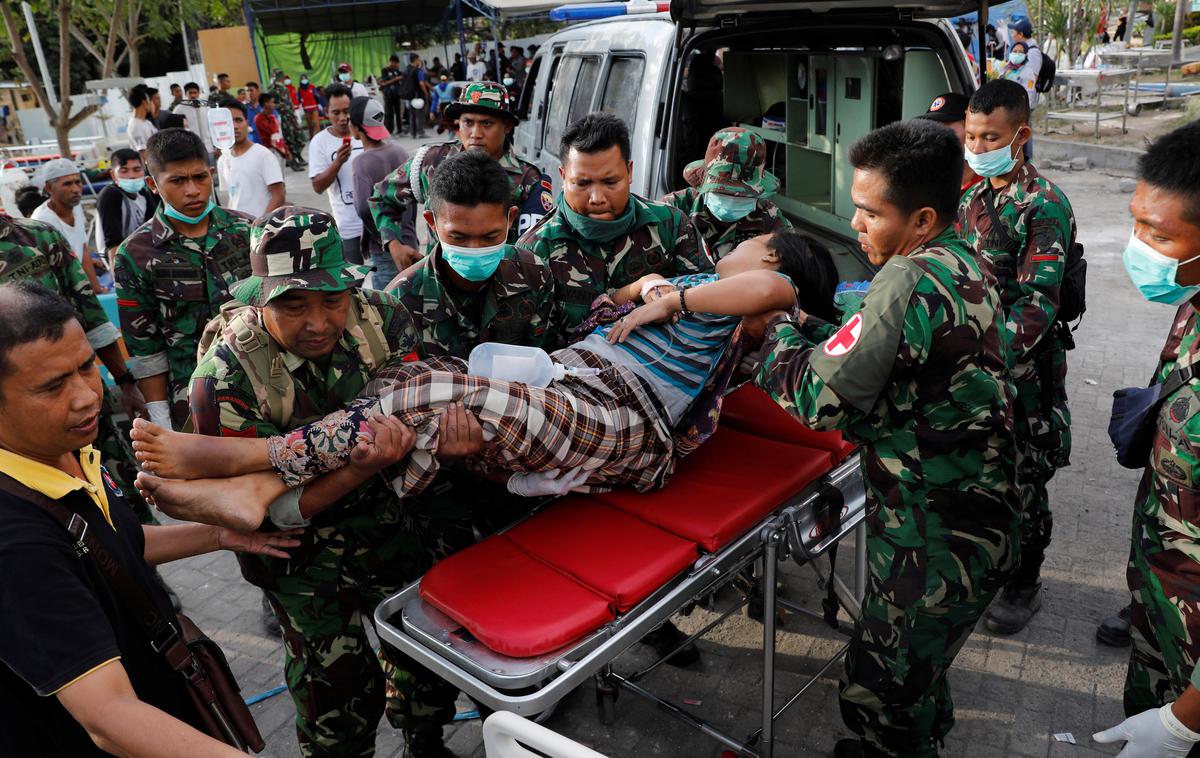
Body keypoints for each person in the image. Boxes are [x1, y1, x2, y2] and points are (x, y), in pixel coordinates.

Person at [130, 226, 838, 521]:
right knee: (414, 389)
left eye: (753, 240)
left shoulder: (755, 306)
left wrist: (675, 299)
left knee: (435, 391)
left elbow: (773, 297)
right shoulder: (696, 285)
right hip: (575, 385)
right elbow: (632, 291)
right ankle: (265, 492)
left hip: (630, 424)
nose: (735, 243)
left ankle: (257, 464)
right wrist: (649, 289)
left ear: (772, 256)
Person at [749, 119, 1018, 758]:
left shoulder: (905, 278)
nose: (856, 225)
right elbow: (882, 346)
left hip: (930, 537)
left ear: (922, 218)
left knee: (881, 686)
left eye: (870, 212)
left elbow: (819, 400)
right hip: (977, 519)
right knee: (920, 672)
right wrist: (815, 327)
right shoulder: (960, 254)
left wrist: (778, 333)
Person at [159, 207, 459, 758]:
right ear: (260, 300)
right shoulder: (224, 379)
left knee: (420, 650)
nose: (318, 322)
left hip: (391, 522)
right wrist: (360, 466)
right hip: (297, 549)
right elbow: (265, 509)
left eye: (332, 300)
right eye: (293, 304)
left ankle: (426, 740)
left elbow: (423, 401)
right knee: (334, 687)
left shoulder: (382, 319)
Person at [0, 281, 297, 758]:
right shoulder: (15, 543)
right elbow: (110, 719)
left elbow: (111, 545)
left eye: (85, 368)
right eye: (53, 386)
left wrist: (218, 535)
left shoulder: (59, 452)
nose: (86, 397)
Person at [1088, 122, 1200, 757]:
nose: (1138, 248)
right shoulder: (1193, 305)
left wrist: (1186, 720)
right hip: (1163, 610)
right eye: (1136, 223)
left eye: (1159, 236)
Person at [957, 79, 1076, 635]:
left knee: (1025, 479)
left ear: (1020, 135)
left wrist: (980, 356)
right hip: (976, 365)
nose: (978, 148)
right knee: (981, 472)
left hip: (1024, 371)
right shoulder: (971, 198)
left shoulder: (1044, 205)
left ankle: (1024, 583)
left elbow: (1037, 305)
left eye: (990, 138)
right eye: (973, 137)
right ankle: (988, 561)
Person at [518, 112, 714, 340]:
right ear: (563, 176)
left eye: (610, 182)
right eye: (582, 183)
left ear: (629, 172)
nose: (597, 198)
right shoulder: (534, 251)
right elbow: (535, 349)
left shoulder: (671, 225)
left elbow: (708, 300)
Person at [113, 128, 254, 431]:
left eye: (200, 177)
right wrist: (159, 416)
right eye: (177, 181)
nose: (193, 190)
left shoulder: (248, 231)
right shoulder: (135, 254)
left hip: (262, 381)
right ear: (153, 184)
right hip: (191, 396)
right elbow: (145, 347)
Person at [371, 82, 549, 270]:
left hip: (501, 287)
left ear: (506, 126)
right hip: (440, 287)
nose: (475, 134)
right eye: (468, 123)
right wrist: (394, 244)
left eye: (486, 123)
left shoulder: (528, 179)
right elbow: (381, 197)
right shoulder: (432, 161)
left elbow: (534, 249)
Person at [660, 126, 791, 259]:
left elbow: (791, 265)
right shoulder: (673, 209)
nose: (732, 199)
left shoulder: (771, 218)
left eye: (743, 196)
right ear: (704, 187)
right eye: (722, 192)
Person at [349, 96, 409, 289]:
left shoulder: (361, 163)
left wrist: (380, 237)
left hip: (385, 249)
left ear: (356, 127)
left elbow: (363, 209)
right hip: (409, 240)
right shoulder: (400, 152)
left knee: (388, 307)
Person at [308, 84, 365, 266]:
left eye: (347, 111)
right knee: (354, 283)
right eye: (336, 112)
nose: (342, 118)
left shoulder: (365, 133)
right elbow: (318, 186)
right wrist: (338, 161)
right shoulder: (320, 142)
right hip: (348, 227)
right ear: (326, 112)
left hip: (375, 224)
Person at [31, 158, 105, 294]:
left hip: (77, 282)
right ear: (49, 187)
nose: (76, 189)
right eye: (67, 184)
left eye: (78, 182)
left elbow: (83, 251)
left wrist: (96, 290)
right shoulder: (41, 221)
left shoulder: (74, 207)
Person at [217, 101, 286, 219]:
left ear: (247, 123)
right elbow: (233, 197)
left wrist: (260, 225)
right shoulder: (223, 160)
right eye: (227, 122)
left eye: (238, 120)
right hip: (240, 230)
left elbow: (279, 195)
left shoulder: (263, 155)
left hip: (261, 228)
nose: (234, 126)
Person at [96, 148, 159, 262]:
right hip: (117, 256)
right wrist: (117, 275)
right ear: (113, 175)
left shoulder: (144, 193)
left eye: (137, 169)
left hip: (140, 250)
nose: (132, 176)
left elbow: (152, 228)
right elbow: (112, 242)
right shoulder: (110, 195)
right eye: (124, 171)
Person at [915, 92, 979, 192]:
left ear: (971, 130)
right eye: (931, 127)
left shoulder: (993, 184)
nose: (935, 135)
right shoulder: (925, 185)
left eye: (945, 126)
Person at [269, 69, 308, 170]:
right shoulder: (273, 89)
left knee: (299, 138)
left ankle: (297, 156)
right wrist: (282, 107)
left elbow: (289, 102)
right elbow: (271, 104)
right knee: (289, 140)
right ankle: (293, 161)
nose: (282, 78)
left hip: (291, 116)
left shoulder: (284, 88)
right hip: (283, 117)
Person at [256, 92, 301, 171]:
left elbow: (278, 136)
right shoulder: (259, 118)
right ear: (266, 104)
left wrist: (286, 150)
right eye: (272, 102)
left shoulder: (272, 117)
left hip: (278, 151)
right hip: (269, 150)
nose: (274, 105)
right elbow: (273, 132)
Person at [126, 84, 158, 163]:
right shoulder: (135, 125)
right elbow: (143, 155)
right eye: (150, 100)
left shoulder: (147, 122)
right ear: (144, 102)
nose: (152, 103)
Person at [402, 55, 429, 139]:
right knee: (420, 114)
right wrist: (425, 92)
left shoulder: (406, 70)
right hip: (419, 95)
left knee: (412, 114)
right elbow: (421, 83)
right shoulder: (418, 71)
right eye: (419, 59)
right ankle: (420, 132)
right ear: (416, 60)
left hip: (410, 95)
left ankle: (413, 133)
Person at [380, 54, 405, 134]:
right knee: (389, 113)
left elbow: (403, 76)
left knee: (398, 113)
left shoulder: (396, 70)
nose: (397, 65)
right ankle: (389, 131)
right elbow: (385, 82)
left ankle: (400, 130)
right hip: (388, 95)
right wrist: (395, 79)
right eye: (396, 63)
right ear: (392, 62)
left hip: (397, 94)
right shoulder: (385, 70)